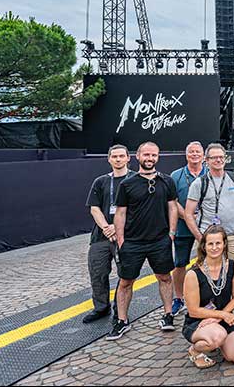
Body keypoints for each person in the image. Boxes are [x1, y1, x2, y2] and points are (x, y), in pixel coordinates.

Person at [108, 141, 178, 340]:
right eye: (146, 155)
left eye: (154, 155)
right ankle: (121, 321)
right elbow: (120, 213)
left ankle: (168, 315)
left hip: (160, 240)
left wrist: (171, 233)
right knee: (125, 282)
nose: (150, 158)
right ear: (137, 156)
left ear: (158, 157)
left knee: (164, 277)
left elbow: (173, 207)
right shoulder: (127, 184)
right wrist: (121, 240)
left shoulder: (166, 181)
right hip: (132, 242)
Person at [184, 143, 234, 287]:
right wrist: (200, 238)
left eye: (221, 157)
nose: (218, 160)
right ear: (206, 161)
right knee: (210, 276)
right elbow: (188, 213)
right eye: (214, 158)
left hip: (233, 236)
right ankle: (212, 308)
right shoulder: (199, 183)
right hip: (210, 238)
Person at [182, 225, 234, 369]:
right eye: (210, 244)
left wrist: (219, 317)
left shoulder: (232, 266)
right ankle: (196, 350)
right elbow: (193, 310)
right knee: (218, 336)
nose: (215, 247)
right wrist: (222, 315)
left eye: (218, 243)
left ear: (224, 244)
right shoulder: (193, 274)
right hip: (198, 322)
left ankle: (219, 340)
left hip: (222, 319)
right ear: (204, 247)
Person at [83, 145, 134, 323]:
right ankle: (100, 307)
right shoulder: (100, 181)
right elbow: (94, 208)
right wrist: (107, 227)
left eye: (121, 156)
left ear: (129, 158)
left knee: (125, 274)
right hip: (100, 237)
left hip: (126, 237)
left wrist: (117, 227)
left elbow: (138, 209)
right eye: (114, 156)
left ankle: (119, 308)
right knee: (98, 273)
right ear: (109, 159)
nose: (118, 159)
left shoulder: (136, 180)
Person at [170, 141, 207, 316]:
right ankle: (178, 298)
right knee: (180, 264)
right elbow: (172, 202)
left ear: (203, 155)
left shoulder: (210, 172)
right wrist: (188, 217)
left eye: (197, 152)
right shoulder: (176, 175)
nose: (194, 155)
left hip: (207, 226)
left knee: (209, 261)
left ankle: (207, 297)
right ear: (186, 155)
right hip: (183, 227)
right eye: (191, 152)